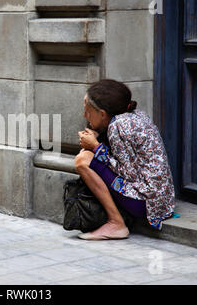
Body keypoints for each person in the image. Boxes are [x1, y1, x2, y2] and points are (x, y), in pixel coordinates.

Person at [75, 79, 175, 240]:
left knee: (83, 160)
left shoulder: (118, 126)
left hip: (146, 203)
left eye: (87, 111)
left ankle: (116, 223)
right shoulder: (134, 115)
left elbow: (129, 174)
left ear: (102, 113)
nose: (84, 115)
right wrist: (98, 141)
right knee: (87, 157)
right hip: (162, 201)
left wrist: (95, 147)